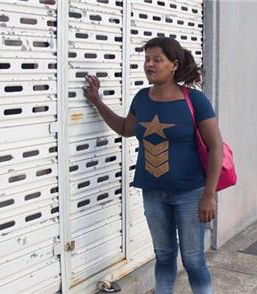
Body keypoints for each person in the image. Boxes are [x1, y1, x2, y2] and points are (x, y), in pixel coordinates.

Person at [83, 37, 222, 294]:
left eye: (157, 60)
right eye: (147, 59)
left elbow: (216, 147)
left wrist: (209, 194)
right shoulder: (142, 98)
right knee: (164, 255)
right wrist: (97, 101)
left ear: (174, 65)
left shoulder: (195, 100)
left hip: (191, 194)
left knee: (193, 259)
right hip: (153, 193)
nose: (149, 64)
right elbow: (126, 129)